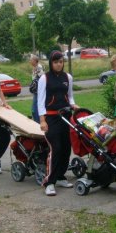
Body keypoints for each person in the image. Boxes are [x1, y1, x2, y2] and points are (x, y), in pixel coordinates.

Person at [37, 51, 78, 196]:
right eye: (56, 62)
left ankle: (60, 176)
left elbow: (70, 96)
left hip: (66, 117)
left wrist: (74, 105)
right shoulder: (44, 78)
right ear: (51, 63)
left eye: (61, 61)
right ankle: (50, 182)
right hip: (51, 117)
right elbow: (40, 101)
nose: (59, 64)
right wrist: (42, 120)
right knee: (56, 148)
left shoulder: (68, 77)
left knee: (67, 148)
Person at [29, 54, 44, 123]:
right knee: (35, 107)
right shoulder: (35, 67)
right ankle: (36, 121)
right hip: (36, 91)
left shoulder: (39, 68)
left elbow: (41, 79)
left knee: (35, 108)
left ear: (35, 61)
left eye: (31, 60)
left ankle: (37, 122)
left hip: (38, 92)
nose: (30, 61)